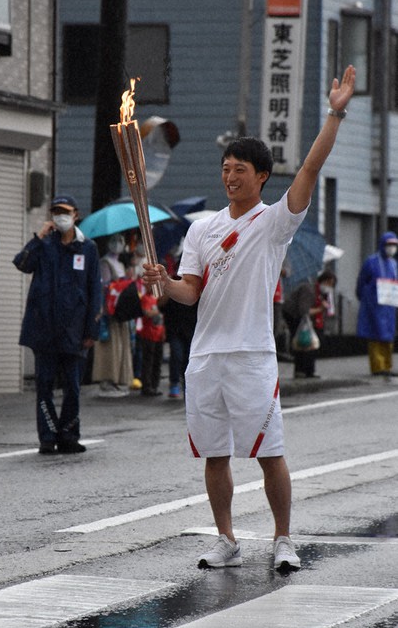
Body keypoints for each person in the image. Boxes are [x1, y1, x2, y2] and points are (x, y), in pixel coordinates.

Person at [143, 65, 356, 572]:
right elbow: (189, 293)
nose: (230, 175)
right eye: (225, 167)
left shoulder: (273, 223)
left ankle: (283, 538)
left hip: (253, 356)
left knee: (268, 452)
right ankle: (226, 538)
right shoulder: (202, 231)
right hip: (206, 357)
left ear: (260, 176)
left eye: (240, 168)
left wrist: (335, 113)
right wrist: (164, 283)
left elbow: (307, 170)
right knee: (214, 455)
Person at [13, 195, 102, 454]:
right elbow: (21, 263)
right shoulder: (45, 245)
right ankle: (47, 436)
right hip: (43, 328)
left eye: (64, 211)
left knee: (73, 387)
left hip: (74, 330)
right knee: (44, 386)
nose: (60, 216)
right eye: (55, 211)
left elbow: (95, 289)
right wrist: (38, 237)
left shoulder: (88, 248)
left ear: (76, 214)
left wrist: (91, 329)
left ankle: (69, 435)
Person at [92, 233, 134, 397]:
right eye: (115, 240)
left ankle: (117, 379)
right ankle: (106, 379)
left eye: (121, 240)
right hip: (109, 309)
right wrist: (124, 280)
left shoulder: (120, 263)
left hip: (121, 309)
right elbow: (106, 285)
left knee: (121, 344)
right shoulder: (105, 262)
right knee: (109, 345)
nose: (118, 243)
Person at [356, 231, 398, 378]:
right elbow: (361, 282)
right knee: (375, 335)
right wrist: (366, 299)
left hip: (389, 307)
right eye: (389, 245)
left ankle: (387, 365)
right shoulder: (371, 261)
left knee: (388, 336)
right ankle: (377, 366)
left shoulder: (394, 264)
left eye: (394, 245)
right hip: (374, 306)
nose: (392, 248)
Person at [283, 269, 337, 378]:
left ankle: (308, 370)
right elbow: (304, 311)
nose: (328, 287)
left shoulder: (321, 294)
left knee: (310, 342)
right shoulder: (309, 290)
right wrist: (320, 309)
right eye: (327, 283)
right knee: (301, 340)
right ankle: (300, 370)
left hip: (305, 318)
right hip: (293, 315)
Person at [138, 285, 165, 396]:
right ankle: (147, 386)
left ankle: (155, 385)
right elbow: (147, 313)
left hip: (159, 334)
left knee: (157, 362)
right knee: (148, 361)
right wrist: (158, 310)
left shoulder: (158, 298)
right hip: (148, 334)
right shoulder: (145, 298)